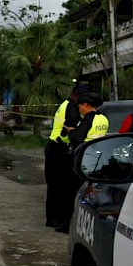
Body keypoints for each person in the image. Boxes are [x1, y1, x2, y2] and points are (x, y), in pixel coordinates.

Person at [56, 92, 109, 233]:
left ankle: (67, 224)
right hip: (96, 159)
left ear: (86, 105)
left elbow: (77, 138)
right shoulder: (103, 118)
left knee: (71, 192)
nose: (79, 109)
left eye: (80, 106)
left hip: (83, 159)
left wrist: (71, 131)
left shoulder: (88, 119)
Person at [44, 84, 87, 229]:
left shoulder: (66, 105)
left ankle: (53, 219)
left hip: (55, 147)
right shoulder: (71, 107)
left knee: (55, 186)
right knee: (61, 187)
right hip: (59, 149)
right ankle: (58, 220)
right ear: (75, 96)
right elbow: (74, 130)